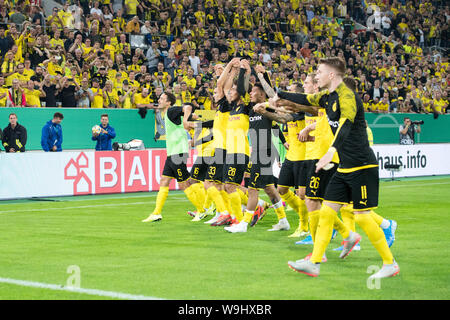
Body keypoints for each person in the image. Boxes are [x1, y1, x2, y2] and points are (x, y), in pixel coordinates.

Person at [278, 57, 398, 279]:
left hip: (362, 165)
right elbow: (305, 98)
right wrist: (281, 94)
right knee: (326, 212)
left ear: (331, 75)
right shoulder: (327, 97)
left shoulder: (347, 97)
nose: (316, 75)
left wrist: (331, 151)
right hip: (344, 167)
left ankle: (390, 263)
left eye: (320, 71)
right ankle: (315, 262)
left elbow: (345, 125)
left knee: (362, 216)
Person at [141, 92, 206, 223]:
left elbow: (188, 106)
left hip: (178, 152)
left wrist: (187, 119)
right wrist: (189, 118)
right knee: (164, 180)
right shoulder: (168, 113)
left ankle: (202, 210)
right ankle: (156, 213)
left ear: (169, 102)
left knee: (184, 183)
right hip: (172, 153)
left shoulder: (171, 110)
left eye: (162, 98)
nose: (159, 100)